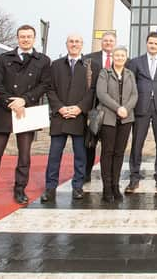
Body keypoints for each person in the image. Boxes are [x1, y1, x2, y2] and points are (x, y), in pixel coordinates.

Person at [0, 24, 51, 212]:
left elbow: (44, 84)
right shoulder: (4, 59)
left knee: (24, 156)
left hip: (27, 112)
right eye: (22, 36)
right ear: (17, 38)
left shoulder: (43, 60)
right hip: (4, 111)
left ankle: (20, 190)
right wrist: (12, 103)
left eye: (29, 36)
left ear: (34, 39)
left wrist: (25, 100)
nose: (25, 39)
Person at [41, 33, 92, 203]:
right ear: (66, 44)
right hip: (60, 117)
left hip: (79, 117)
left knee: (80, 155)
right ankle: (50, 187)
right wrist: (60, 108)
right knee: (54, 155)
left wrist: (79, 108)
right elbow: (50, 89)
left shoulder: (90, 65)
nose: (74, 44)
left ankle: (77, 186)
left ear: (82, 45)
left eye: (77, 41)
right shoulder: (55, 65)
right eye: (71, 41)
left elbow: (92, 91)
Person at [126, 32, 157, 193]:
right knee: (137, 144)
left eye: (156, 43)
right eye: (150, 43)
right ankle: (134, 177)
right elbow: (130, 83)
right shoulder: (135, 62)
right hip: (141, 108)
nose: (153, 46)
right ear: (146, 43)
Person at [96, 46, 138, 203]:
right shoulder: (104, 73)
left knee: (119, 153)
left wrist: (126, 109)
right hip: (109, 118)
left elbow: (135, 94)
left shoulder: (130, 74)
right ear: (112, 56)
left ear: (126, 57)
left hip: (126, 119)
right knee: (108, 152)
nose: (120, 57)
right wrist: (117, 108)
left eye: (122, 55)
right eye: (117, 55)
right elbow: (102, 94)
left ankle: (115, 185)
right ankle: (106, 187)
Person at [83, 31, 117, 183]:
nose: (108, 43)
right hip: (94, 107)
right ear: (101, 42)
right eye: (105, 40)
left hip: (113, 109)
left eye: (111, 41)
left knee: (110, 145)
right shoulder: (89, 59)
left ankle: (108, 175)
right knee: (90, 143)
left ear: (115, 43)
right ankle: (86, 173)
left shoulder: (122, 59)